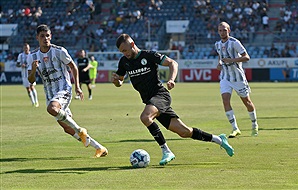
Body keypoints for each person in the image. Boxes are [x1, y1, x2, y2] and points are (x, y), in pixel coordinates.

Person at [112, 33, 234, 166]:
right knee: (185, 132)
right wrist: (116, 81)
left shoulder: (149, 55)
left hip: (160, 95)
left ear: (132, 44)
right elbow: (120, 81)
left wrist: (171, 79)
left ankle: (166, 151)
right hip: (150, 101)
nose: (124, 53)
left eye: (125, 50)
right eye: (121, 52)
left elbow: (172, 63)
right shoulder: (124, 62)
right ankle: (219, 139)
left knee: (145, 117)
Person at [27, 24, 108, 158]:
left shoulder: (59, 51)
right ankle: (99, 148)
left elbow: (73, 67)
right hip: (50, 94)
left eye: (47, 35)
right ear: (37, 38)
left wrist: (77, 86)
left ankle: (80, 130)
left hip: (64, 89)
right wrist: (34, 69)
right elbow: (30, 80)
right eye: (42, 36)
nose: (45, 38)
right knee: (66, 127)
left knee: (52, 108)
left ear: (51, 36)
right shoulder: (33, 56)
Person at [215, 22, 259, 138]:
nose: (222, 32)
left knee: (247, 102)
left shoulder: (235, 42)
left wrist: (232, 60)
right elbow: (220, 57)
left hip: (238, 78)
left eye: (224, 30)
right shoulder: (217, 44)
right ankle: (235, 128)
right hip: (225, 77)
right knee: (225, 100)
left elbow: (246, 57)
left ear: (229, 30)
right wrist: (219, 64)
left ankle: (254, 125)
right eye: (220, 30)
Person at [16, 43, 39, 107]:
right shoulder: (20, 55)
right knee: (28, 89)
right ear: (23, 48)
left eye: (27, 48)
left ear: (29, 48)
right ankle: (33, 102)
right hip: (24, 75)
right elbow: (17, 64)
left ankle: (36, 101)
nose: (26, 49)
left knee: (32, 87)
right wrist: (21, 65)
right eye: (25, 48)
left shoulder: (31, 55)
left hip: (31, 73)